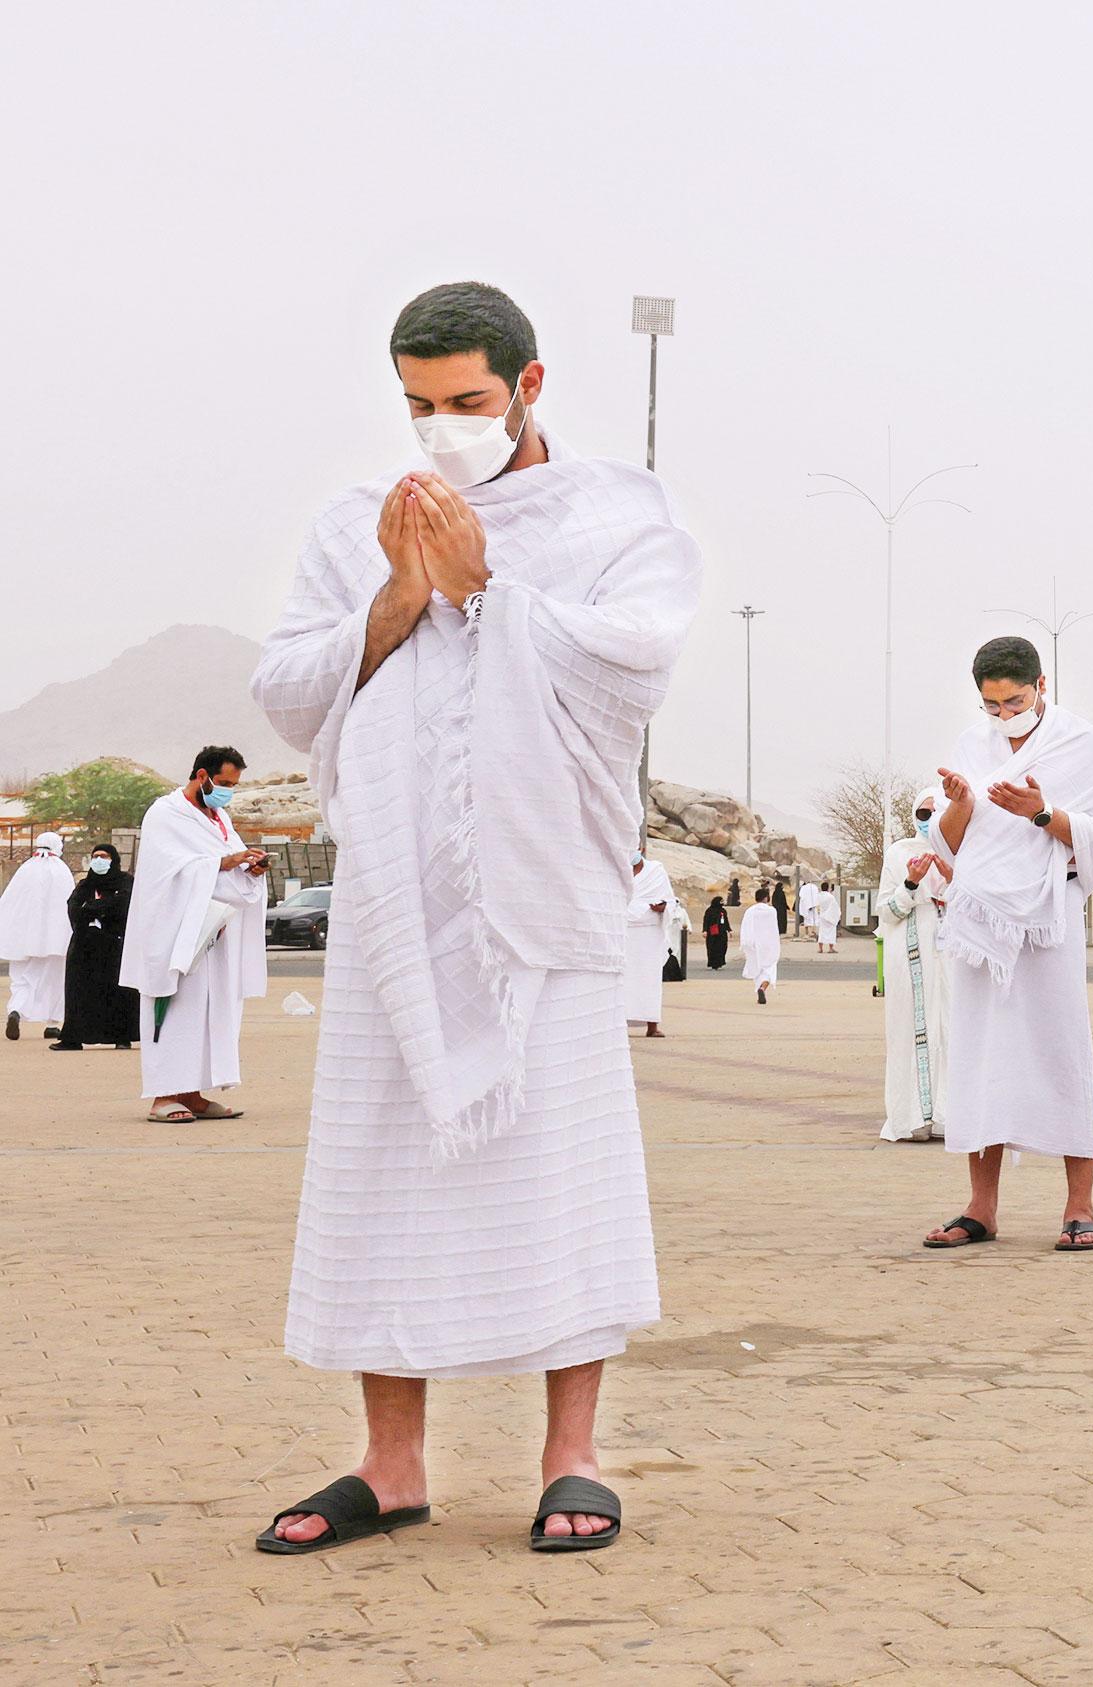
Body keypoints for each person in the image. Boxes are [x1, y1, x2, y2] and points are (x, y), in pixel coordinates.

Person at [246, 280, 702, 1554]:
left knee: (560, 1169)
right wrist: (397, 593)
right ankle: (391, 1466)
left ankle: (573, 1455)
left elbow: (636, 663)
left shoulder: (615, 514)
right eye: (418, 404)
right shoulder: (358, 526)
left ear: (531, 384)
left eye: (468, 402)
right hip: (396, 901)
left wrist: (491, 583)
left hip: (541, 896)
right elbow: (286, 685)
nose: (442, 428)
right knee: (380, 1174)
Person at [920, 636, 1093, 1254]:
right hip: (981, 917)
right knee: (983, 1055)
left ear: (1041, 684)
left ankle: (1079, 1206)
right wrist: (957, 805)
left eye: (1015, 702)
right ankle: (981, 1208)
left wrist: (1042, 813)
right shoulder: (971, 746)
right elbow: (946, 843)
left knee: (1060, 1049)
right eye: (993, 706)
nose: (1005, 716)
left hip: (1047, 914)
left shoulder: (1081, 744)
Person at [119, 749, 272, 1122]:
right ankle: (162, 1098)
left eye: (233, 787)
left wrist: (250, 870)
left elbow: (226, 870)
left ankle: (193, 1093)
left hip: (213, 936)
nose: (227, 793)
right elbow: (166, 873)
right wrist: (223, 862)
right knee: (176, 1012)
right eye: (223, 784)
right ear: (201, 775)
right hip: (175, 937)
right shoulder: (165, 814)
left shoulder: (219, 818)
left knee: (209, 1014)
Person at [875, 794, 956, 1143]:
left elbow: (986, 903)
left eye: (937, 810)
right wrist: (911, 883)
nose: (930, 817)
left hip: (954, 957)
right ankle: (912, 1119)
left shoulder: (962, 848)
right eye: (924, 812)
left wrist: (954, 881)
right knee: (910, 1029)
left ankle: (949, 1117)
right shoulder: (899, 852)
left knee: (953, 1029)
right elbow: (886, 911)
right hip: (910, 958)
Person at [54, 843, 140, 1051]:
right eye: (95, 856)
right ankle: (73, 1038)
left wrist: (92, 908)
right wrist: (99, 908)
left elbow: (123, 905)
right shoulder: (85, 885)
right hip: (85, 945)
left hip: (114, 944)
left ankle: (122, 1037)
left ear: (114, 859)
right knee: (78, 991)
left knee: (118, 991)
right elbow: (74, 908)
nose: (99, 860)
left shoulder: (126, 882)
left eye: (104, 856)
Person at [2, 831, 73, 1042]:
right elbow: (70, 905)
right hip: (55, 940)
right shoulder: (61, 871)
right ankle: (52, 1024)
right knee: (54, 980)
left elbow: (9, 903)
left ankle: (15, 1009)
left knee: (22, 979)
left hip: (22, 940)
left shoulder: (26, 870)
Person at [622, 848, 673, 1038]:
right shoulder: (618, 869)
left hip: (649, 934)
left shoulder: (656, 870)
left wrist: (663, 907)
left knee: (649, 980)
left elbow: (670, 900)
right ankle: (618, 1024)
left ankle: (652, 1026)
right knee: (622, 979)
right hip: (624, 931)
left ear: (641, 849)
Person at [741, 886, 782, 1003]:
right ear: (766, 898)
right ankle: (762, 988)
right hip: (768, 944)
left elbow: (745, 927)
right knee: (770, 968)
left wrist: (745, 943)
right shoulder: (771, 910)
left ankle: (759, 987)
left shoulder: (749, 911)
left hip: (754, 944)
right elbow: (773, 928)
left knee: (757, 967)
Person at [701, 892, 730, 971]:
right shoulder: (709, 911)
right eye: (721, 901)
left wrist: (729, 930)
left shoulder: (723, 911)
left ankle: (720, 962)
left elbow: (726, 921)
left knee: (722, 947)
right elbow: (706, 921)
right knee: (712, 948)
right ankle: (714, 963)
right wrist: (705, 930)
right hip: (712, 932)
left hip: (722, 932)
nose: (722, 903)